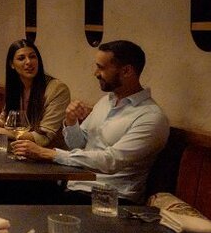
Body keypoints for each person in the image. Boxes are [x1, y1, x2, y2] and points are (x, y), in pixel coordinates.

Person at [11, 40, 169, 204]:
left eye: (101, 67)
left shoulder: (151, 118)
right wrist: (71, 122)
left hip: (112, 199)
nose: (96, 73)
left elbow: (111, 161)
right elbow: (77, 145)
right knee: (9, 191)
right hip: (75, 186)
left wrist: (49, 154)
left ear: (127, 71)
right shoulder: (105, 102)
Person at [0, 39, 70, 148]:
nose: (28, 62)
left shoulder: (57, 89)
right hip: (22, 152)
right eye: (21, 58)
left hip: (48, 156)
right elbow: (5, 121)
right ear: (12, 64)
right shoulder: (16, 86)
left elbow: (42, 138)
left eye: (32, 57)